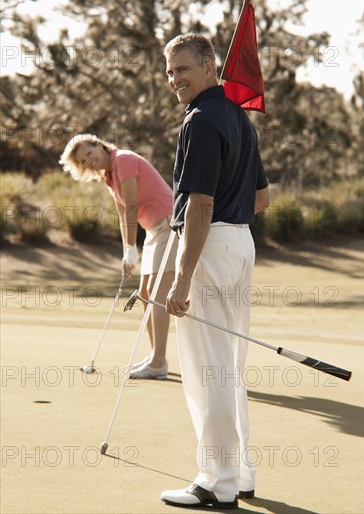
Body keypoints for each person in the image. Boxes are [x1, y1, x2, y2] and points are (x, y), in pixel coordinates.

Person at [160, 34, 270, 508]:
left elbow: (200, 204)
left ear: (210, 66)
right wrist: (229, 226)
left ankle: (216, 482)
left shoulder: (201, 121)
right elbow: (262, 199)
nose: (174, 79)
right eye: (169, 72)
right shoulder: (239, 120)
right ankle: (240, 474)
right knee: (230, 368)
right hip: (238, 242)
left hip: (210, 242)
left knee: (209, 371)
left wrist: (182, 278)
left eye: (182, 69)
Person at [59, 134, 177, 379]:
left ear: (99, 145)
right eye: (84, 161)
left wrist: (133, 246)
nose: (90, 161)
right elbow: (124, 216)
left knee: (157, 292)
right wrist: (128, 251)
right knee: (145, 293)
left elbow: (132, 206)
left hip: (169, 225)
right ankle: (156, 356)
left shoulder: (122, 159)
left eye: (90, 153)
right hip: (154, 231)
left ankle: (158, 363)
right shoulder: (109, 176)